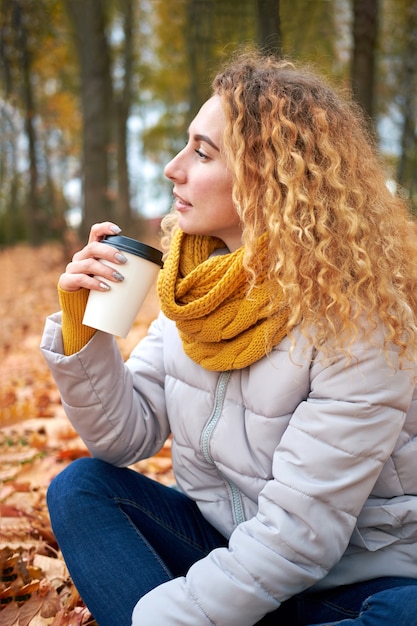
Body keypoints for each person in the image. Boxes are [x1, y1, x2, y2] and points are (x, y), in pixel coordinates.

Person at [41, 50, 417, 626]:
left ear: (272, 176)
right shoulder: (198, 291)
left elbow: (300, 535)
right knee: (82, 489)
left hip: (357, 577)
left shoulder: (358, 317)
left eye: (202, 151)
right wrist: (84, 326)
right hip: (228, 551)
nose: (173, 167)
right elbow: (124, 439)